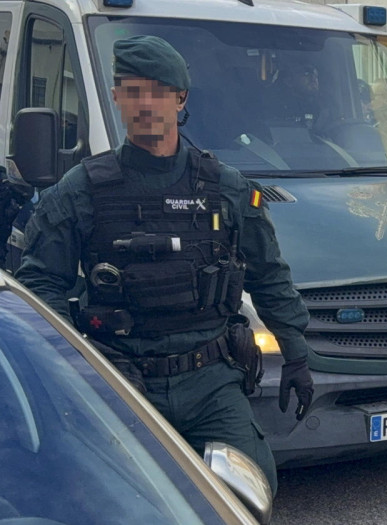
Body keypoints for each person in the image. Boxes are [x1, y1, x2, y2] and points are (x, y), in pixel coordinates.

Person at [16, 35, 315, 494]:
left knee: (250, 489)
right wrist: (67, 373)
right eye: (131, 90)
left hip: (210, 380)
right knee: (118, 500)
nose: (144, 103)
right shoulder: (83, 189)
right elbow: (40, 287)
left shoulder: (226, 188)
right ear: (116, 97)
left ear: (180, 99)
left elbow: (268, 271)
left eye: (157, 90)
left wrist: (295, 351)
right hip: (121, 378)